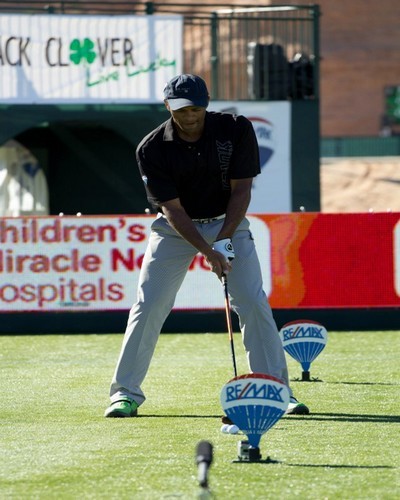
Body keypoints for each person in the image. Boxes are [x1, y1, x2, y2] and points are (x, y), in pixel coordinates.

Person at [104, 74, 309, 418]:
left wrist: (224, 240)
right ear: (168, 106)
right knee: (149, 304)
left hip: (227, 220)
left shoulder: (236, 129)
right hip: (175, 229)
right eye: (182, 109)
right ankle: (124, 393)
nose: (189, 116)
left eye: (196, 108)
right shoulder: (152, 148)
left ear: (206, 103)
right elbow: (171, 209)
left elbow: (242, 190)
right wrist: (208, 251)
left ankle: (275, 390)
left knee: (252, 301)